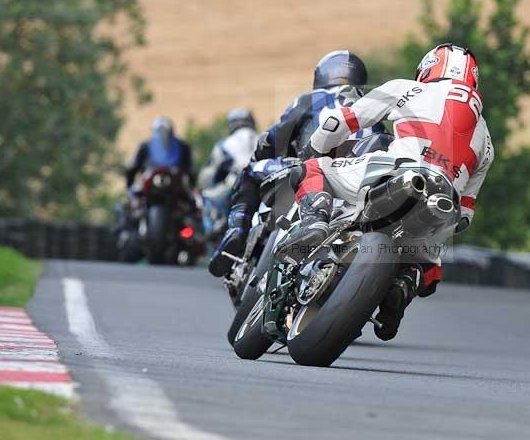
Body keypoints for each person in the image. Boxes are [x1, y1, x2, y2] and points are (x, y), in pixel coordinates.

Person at [288, 43, 494, 340]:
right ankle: (404, 284)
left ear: (428, 68)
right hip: (442, 202)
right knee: (428, 271)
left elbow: (340, 122)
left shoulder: (406, 88)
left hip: (395, 171)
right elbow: (465, 214)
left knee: (310, 170)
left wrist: (314, 148)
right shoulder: (485, 138)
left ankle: (315, 220)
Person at [208, 50, 378, 277]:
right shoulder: (372, 108)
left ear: (322, 76)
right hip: (355, 181)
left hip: (306, 171)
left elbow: (272, 138)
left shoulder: (311, 99)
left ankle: (237, 229)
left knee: (250, 171)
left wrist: (260, 155)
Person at [125, 116, 194, 188]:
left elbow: (189, 168)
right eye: (160, 131)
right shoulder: (145, 146)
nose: (164, 134)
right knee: (135, 191)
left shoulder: (182, 146)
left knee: (189, 193)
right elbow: (134, 165)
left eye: (165, 131)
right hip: (150, 177)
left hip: (176, 179)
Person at [198, 109, 258, 189]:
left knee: (207, 195)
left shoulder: (224, 143)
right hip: (264, 180)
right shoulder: (263, 137)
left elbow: (210, 173)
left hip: (235, 183)